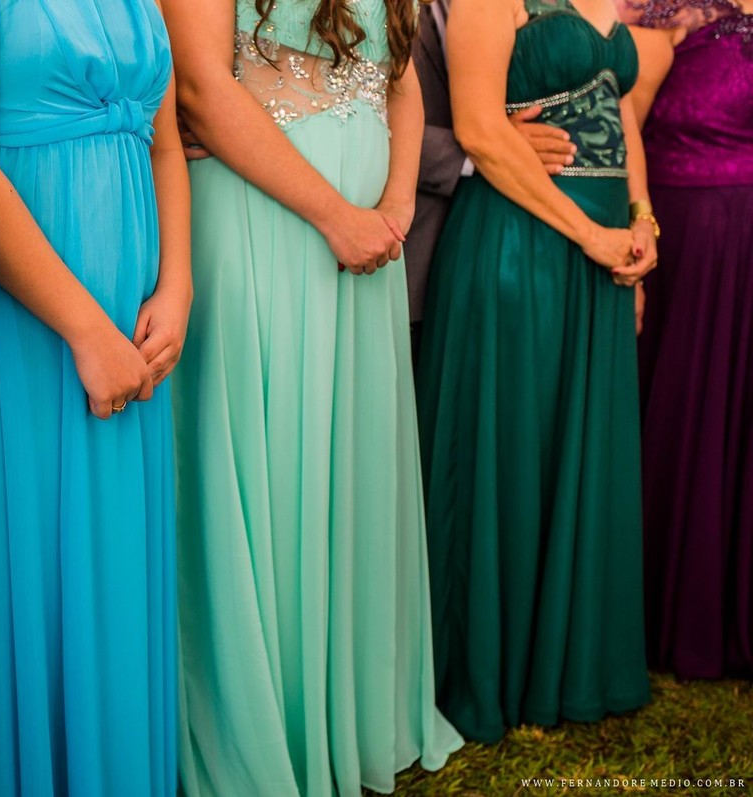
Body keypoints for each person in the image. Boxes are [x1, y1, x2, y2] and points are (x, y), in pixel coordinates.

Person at [163, 0, 464, 792]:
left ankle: (350, 707)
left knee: (348, 462)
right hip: (265, 218)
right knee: (275, 463)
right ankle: (266, 723)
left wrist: (396, 206)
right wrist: (336, 216)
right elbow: (200, 88)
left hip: (368, 240)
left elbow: (401, 82)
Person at [0, 0, 191, 792]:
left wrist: (178, 286)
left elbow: (166, 144)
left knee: (113, 560)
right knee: (26, 560)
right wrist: (85, 331)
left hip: (132, 314)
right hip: (22, 320)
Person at [415, 0, 658, 743]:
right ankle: (497, 668)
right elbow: (481, 131)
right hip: (522, 244)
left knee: (580, 447)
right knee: (515, 447)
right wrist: (590, 234)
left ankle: (570, 662)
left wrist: (641, 220)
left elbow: (620, 112)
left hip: (599, 253)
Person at [627, 0, 753, 680]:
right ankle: (668, 601)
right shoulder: (670, 13)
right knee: (686, 409)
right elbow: (624, 123)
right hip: (691, 247)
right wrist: (638, 221)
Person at [410, 0, 578, 351]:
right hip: (410, 249)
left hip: (492, 244)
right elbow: (369, 126)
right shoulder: (382, 10)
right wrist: (488, 143)